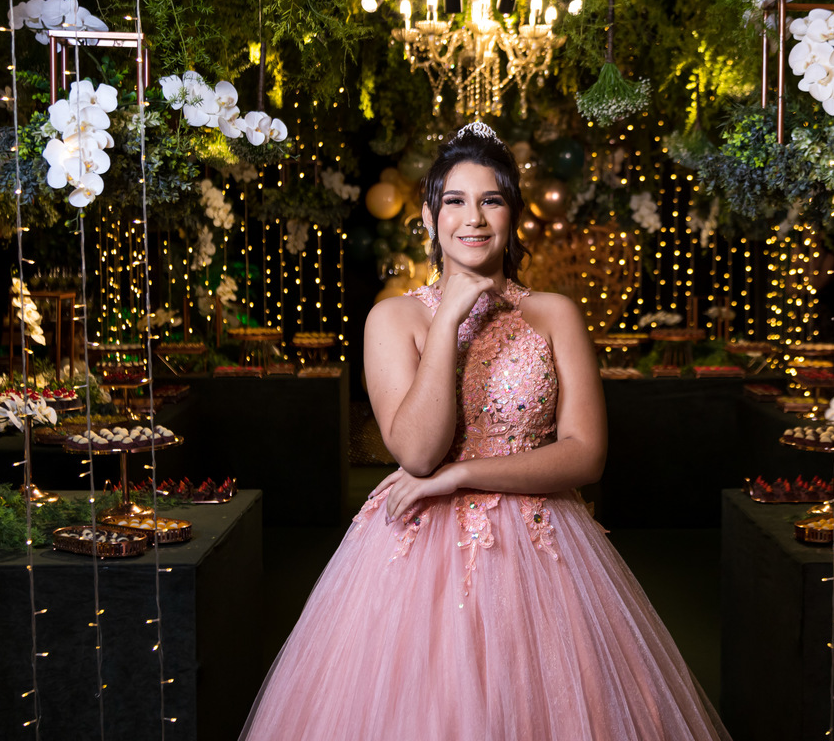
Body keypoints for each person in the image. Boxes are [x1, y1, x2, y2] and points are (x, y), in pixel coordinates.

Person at [239, 122, 731, 741]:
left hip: (543, 550)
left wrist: (465, 474)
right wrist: (448, 316)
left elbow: (587, 456)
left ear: (512, 216)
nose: (473, 218)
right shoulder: (394, 318)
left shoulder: (555, 314)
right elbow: (416, 454)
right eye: (455, 201)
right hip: (413, 554)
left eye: (491, 200)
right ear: (428, 216)